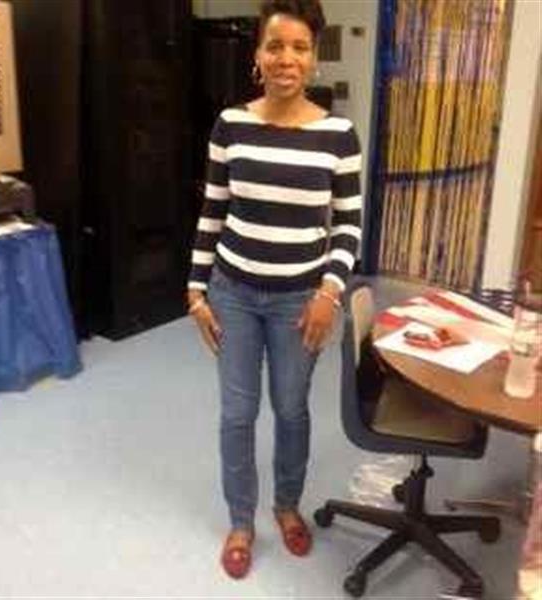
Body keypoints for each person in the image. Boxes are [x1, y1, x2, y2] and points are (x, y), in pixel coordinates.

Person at [187, 0, 362, 580]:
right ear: (258, 54)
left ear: (313, 57)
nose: (287, 58)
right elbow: (212, 212)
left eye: (300, 47)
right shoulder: (230, 125)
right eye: (275, 45)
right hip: (232, 293)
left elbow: (348, 224)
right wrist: (196, 291)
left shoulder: (338, 136)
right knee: (237, 414)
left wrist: (329, 293)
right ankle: (241, 521)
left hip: (299, 301)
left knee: (290, 410)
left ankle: (286, 505)